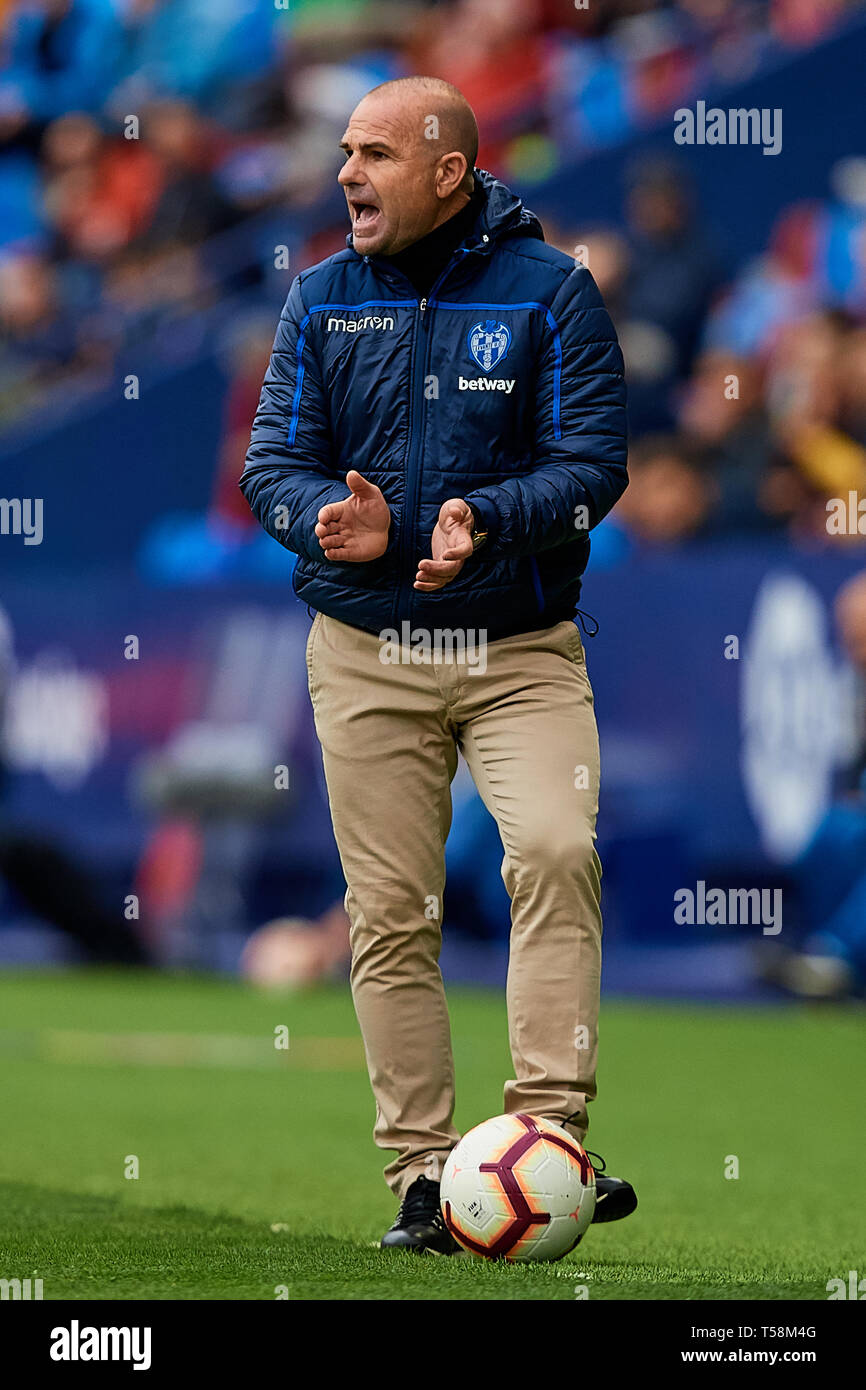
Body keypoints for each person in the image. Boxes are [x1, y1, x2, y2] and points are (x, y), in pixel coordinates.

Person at [241, 76, 635, 1253]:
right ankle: (422, 1176)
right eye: (342, 152)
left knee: (557, 851)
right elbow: (271, 464)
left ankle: (547, 1139)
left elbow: (592, 465)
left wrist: (482, 518)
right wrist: (324, 517)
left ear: (448, 170)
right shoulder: (318, 298)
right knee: (390, 913)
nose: (346, 174)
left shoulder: (551, 291)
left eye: (372, 154)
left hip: (518, 649)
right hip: (365, 650)